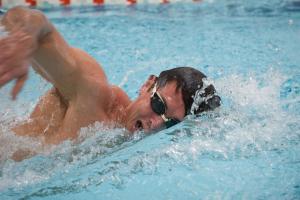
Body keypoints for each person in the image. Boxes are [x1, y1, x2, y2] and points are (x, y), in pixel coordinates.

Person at [0, 6, 221, 146]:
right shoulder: (93, 93)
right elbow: (34, 21)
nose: (155, 124)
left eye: (171, 124)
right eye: (159, 106)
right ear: (147, 86)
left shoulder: (120, 142)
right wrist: (24, 39)